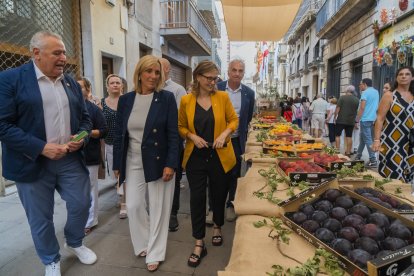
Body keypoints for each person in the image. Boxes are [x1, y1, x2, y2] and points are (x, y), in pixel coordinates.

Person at [0, 30, 96, 276]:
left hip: (70, 159)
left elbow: (85, 120)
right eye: (57, 52)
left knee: (82, 203)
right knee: (41, 218)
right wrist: (41, 147)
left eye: (64, 52)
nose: (64, 57)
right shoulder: (10, 79)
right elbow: (3, 125)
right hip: (31, 162)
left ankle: (74, 242)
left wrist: (81, 138)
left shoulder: (70, 82)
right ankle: (50, 259)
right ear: (36, 54)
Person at [112, 55, 178, 272]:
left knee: (159, 208)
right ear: (139, 73)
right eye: (149, 71)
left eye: (157, 72)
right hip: (132, 160)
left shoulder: (166, 98)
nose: (153, 76)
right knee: (133, 205)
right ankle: (142, 243)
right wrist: (117, 165)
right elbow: (120, 134)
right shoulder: (126, 100)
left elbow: (173, 134)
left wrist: (171, 163)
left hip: (159, 161)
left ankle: (156, 251)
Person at [178, 60, 238, 267]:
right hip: (195, 156)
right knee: (196, 198)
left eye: (215, 78)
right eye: (209, 78)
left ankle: (218, 227)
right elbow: (181, 126)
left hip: (219, 154)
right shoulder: (186, 101)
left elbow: (233, 120)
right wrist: (192, 137)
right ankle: (198, 242)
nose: (213, 82)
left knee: (218, 194)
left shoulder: (223, 97)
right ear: (198, 77)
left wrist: (224, 133)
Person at [217, 59, 255, 222]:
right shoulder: (217, 88)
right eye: (234, 70)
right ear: (228, 71)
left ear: (243, 73)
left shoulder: (249, 93)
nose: (237, 73)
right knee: (217, 174)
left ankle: (230, 204)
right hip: (217, 140)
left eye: (240, 71)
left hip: (237, 140)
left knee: (234, 174)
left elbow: (247, 118)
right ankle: (214, 207)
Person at [372, 67, 414, 183]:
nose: (404, 76)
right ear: (397, 78)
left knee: (410, 172)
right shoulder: (389, 96)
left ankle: (407, 200)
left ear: (412, 77)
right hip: (392, 141)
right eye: (400, 74)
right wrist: (376, 140)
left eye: (407, 74)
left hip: (411, 140)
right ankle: (391, 199)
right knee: (394, 172)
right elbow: (380, 118)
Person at [77, 77, 108, 235]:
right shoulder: (67, 107)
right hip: (72, 157)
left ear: (88, 90)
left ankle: (90, 220)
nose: (77, 89)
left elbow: (103, 130)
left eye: (81, 87)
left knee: (90, 189)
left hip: (90, 155)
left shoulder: (94, 109)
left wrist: (83, 134)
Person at [159, 58, 187, 232]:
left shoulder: (178, 90)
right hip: (154, 145)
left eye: (158, 68)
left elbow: (179, 120)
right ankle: (158, 212)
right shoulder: (148, 88)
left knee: (173, 180)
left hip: (173, 142)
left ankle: (172, 213)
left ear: (167, 69)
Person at [101, 74, 127, 218]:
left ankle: (124, 203)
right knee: (117, 174)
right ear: (107, 86)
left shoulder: (128, 100)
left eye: (118, 82)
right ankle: (123, 196)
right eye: (112, 83)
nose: (115, 85)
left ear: (122, 85)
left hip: (127, 144)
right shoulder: (101, 103)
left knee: (125, 174)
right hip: (110, 144)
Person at [354, 78, 379, 167]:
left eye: (360, 84)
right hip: (373, 119)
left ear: (364, 84)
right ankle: (358, 156)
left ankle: (373, 160)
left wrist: (357, 119)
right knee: (363, 138)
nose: (359, 86)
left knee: (368, 139)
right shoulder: (376, 92)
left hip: (365, 119)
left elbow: (362, 107)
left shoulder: (365, 93)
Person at [335, 85, 360, 156]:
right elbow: (357, 111)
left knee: (337, 135)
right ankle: (348, 152)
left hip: (341, 120)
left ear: (347, 90)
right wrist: (356, 121)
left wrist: (334, 117)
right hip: (351, 121)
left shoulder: (342, 98)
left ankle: (337, 151)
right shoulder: (356, 99)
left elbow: (337, 109)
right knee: (349, 136)